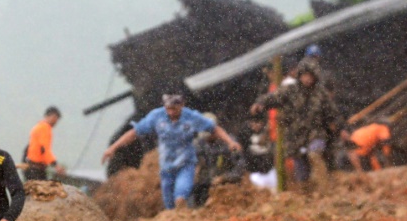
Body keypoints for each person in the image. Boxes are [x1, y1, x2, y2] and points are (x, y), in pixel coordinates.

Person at [102, 94, 242, 210]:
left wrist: (230, 142)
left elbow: (214, 128)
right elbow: (135, 132)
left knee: (181, 194)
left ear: (181, 106)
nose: (171, 113)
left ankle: (183, 206)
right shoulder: (156, 117)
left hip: (185, 163)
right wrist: (113, 147)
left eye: (174, 109)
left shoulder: (191, 117)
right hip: (167, 166)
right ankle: (177, 218)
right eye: (168, 109)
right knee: (169, 202)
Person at [250, 58, 339, 193]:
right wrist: (260, 104)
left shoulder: (321, 93)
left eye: (310, 76)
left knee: (314, 154)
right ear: (300, 75)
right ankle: (306, 194)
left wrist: (334, 127)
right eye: (305, 75)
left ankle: (324, 189)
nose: (307, 79)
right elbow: (273, 98)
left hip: (315, 132)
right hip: (295, 135)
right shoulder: (290, 90)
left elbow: (331, 113)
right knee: (301, 171)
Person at [25, 106, 65, 181]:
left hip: (32, 167)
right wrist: (56, 165)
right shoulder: (44, 128)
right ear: (53, 116)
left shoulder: (38, 126)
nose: (56, 122)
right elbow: (44, 149)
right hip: (36, 169)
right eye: (56, 119)